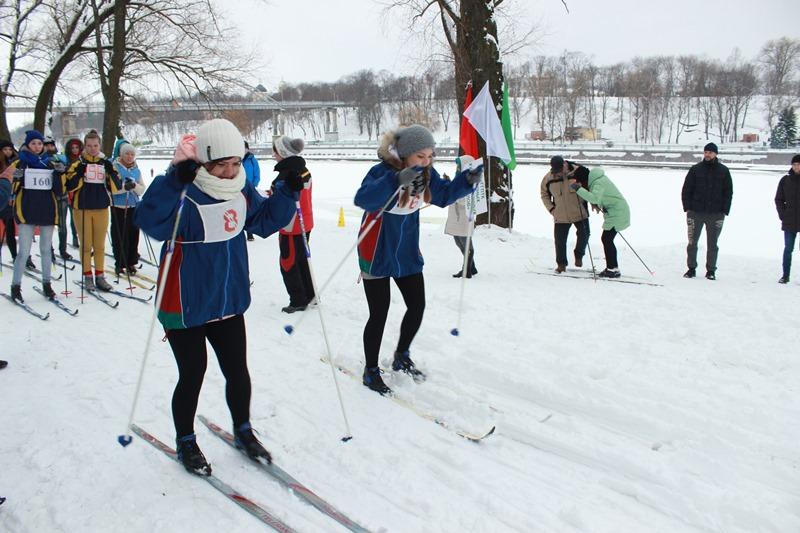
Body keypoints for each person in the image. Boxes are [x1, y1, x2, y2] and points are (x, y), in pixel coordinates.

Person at [135, 118, 302, 475]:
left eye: (235, 163)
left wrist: (288, 189)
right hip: (185, 301)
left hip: (227, 299)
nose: (228, 172)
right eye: (220, 165)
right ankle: (185, 440)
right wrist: (171, 181)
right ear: (204, 163)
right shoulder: (185, 190)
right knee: (193, 373)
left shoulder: (241, 190)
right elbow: (149, 221)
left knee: (237, 370)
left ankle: (243, 430)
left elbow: (264, 222)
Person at [354, 124, 482, 395]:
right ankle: (371, 370)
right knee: (379, 313)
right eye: (420, 157)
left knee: (417, 305)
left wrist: (466, 182)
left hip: (406, 251)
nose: (426, 162)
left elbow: (444, 195)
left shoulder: (427, 174)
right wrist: (396, 180)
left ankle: (402, 355)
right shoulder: (381, 172)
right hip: (376, 250)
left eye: (430, 156)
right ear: (404, 154)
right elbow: (363, 198)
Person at [5, 129, 65, 302]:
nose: (37, 147)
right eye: (33, 143)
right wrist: (16, 179)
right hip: (27, 210)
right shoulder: (20, 163)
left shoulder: (50, 162)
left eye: (39, 143)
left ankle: (47, 284)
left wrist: (60, 174)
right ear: (28, 145)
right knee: (23, 251)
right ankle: (15, 286)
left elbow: (60, 191)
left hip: (46, 210)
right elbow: (11, 187)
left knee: (46, 250)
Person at [64, 130, 122, 292]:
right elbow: (69, 186)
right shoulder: (78, 163)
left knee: (100, 245)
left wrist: (111, 173)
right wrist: (80, 173)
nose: (92, 149)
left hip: (101, 207)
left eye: (95, 145)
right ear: (85, 146)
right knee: (86, 245)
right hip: (82, 207)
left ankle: (100, 276)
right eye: (89, 146)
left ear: (100, 145)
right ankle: (87, 276)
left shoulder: (105, 162)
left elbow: (116, 186)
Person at [271, 135, 314, 313]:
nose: (273, 155)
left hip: (292, 225)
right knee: (302, 260)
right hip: (305, 221)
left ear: (282, 152)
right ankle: (310, 295)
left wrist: (272, 195)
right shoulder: (303, 169)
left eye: (275, 151)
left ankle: (298, 300)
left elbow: (284, 199)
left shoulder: (287, 173)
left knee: (288, 263)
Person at [681, 142, 733, 280]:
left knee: (713, 244)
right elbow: (686, 189)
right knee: (692, 242)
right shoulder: (695, 169)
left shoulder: (723, 171)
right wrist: (688, 207)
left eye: (710, 152)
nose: (707, 154)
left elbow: (728, 192)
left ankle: (711, 270)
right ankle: (691, 268)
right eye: (706, 152)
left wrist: (724, 210)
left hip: (716, 214)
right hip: (695, 212)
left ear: (715, 154)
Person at [571, 167, 630, 278]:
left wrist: (578, 189)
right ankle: (613, 268)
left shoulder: (598, 182)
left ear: (583, 179)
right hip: (616, 212)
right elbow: (599, 198)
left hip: (617, 212)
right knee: (607, 239)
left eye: (579, 181)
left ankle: (612, 269)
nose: (579, 183)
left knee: (607, 239)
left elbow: (594, 198)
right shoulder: (598, 180)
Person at [541, 155, 590, 272]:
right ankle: (561, 264)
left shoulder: (579, 171)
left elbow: (590, 186)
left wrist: (593, 201)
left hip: (579, 211)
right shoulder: (548, 178)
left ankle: (579, 254)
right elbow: (544, 194)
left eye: (559, 170)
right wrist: (552, 209)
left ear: (564, 164)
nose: (557, 174)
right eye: (555, 171)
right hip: (560, 214)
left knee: (585, 234)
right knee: (560, 240)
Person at [111, 140, 145, 275]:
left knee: (133, 235)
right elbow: (112, 189)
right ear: (121, 154)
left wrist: (134, 186)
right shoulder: (115, 167)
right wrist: (125, 188)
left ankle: (131, 262)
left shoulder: (136, 169)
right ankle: (119, 263)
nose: (129, 156)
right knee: (120, 235)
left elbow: (142, 189)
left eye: (132, 154)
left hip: (133, 206)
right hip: (119, 206)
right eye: (127, 154)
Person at [444, 155, 478, 278]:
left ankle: (466, 270)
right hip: (456, 216)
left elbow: (465, 199)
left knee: (466, 243)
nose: (457, 167)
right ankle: (472, 267)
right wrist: (448, 183)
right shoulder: (459, 176)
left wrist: (453, 194)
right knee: (458, 241)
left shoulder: (471, 179)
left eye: (459, 165)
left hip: (464, 217)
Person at [775, 154, 800, 284]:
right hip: (789, 220)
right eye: (794, 164)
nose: (796, 167)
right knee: (788, 249)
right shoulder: (785, 180)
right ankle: (785, 275)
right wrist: (783, 215)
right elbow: (779, 199)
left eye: (798, 164)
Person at [63, 138, 83, 248]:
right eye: (72, 148)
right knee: (73, 217)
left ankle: (81, 237)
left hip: (82, 192)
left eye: (77, 147)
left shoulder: (83, 159)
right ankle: (75, 237)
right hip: (70, 193)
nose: (75, 150)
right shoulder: (67, 160)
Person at [242, 141, 261, 241]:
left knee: (250, 210)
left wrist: (253, 186)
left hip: (250, 189)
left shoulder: (252, 159)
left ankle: (250, 233)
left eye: (245, 147)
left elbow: (257, 174)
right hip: (239, 189)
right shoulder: (237, 159)